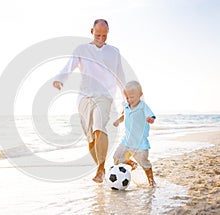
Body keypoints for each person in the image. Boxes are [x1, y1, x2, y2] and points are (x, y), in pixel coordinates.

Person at [53, 19, 126, 183]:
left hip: (105, 96)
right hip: (84, 97)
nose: (101, 38)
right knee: (91, 138)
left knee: (99, 127)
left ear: (108, 33)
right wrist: (60, 79)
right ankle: (101, 167)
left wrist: (125, 101)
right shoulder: (81, 49)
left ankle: (100, 168)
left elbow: (120, 77)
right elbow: (68, 66)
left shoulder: (114, 52)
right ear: (91, 31)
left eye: (104, 35)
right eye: (98, 34)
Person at [113, 81, 156, 187]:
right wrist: (119, 120)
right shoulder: (126, 106)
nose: (129, 100)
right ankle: (132, 163)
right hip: (127, 142)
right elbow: (125, 115)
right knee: (117, 158)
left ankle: (151, 181)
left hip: (140, 145)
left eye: (132, 97)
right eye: (127, 98)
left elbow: (151, 115)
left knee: (145, 164)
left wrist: (150, 119)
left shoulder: (143, 106)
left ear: (140, 95)